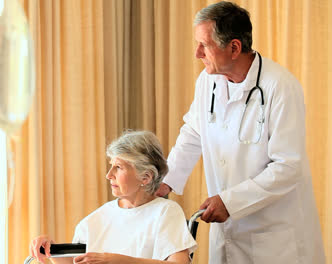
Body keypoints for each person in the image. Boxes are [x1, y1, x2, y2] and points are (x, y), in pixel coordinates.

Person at [155, 1, 325, 263]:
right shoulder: (207, 81)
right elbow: (194, 132)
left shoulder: (280, 87)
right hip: (229, 234)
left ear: (234, 47)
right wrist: (167, 180)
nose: (197, 53)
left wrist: (230, 202)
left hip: (274, 238)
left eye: (204, 45)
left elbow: (288, 166)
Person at [30, 131, 197, 264]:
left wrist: (122, 262)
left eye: (118, 167)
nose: (109, 175)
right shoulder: (96, 219)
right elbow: (75, 262)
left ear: (145, 177)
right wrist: (51, 249)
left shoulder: (166, 212)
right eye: (111, 166)